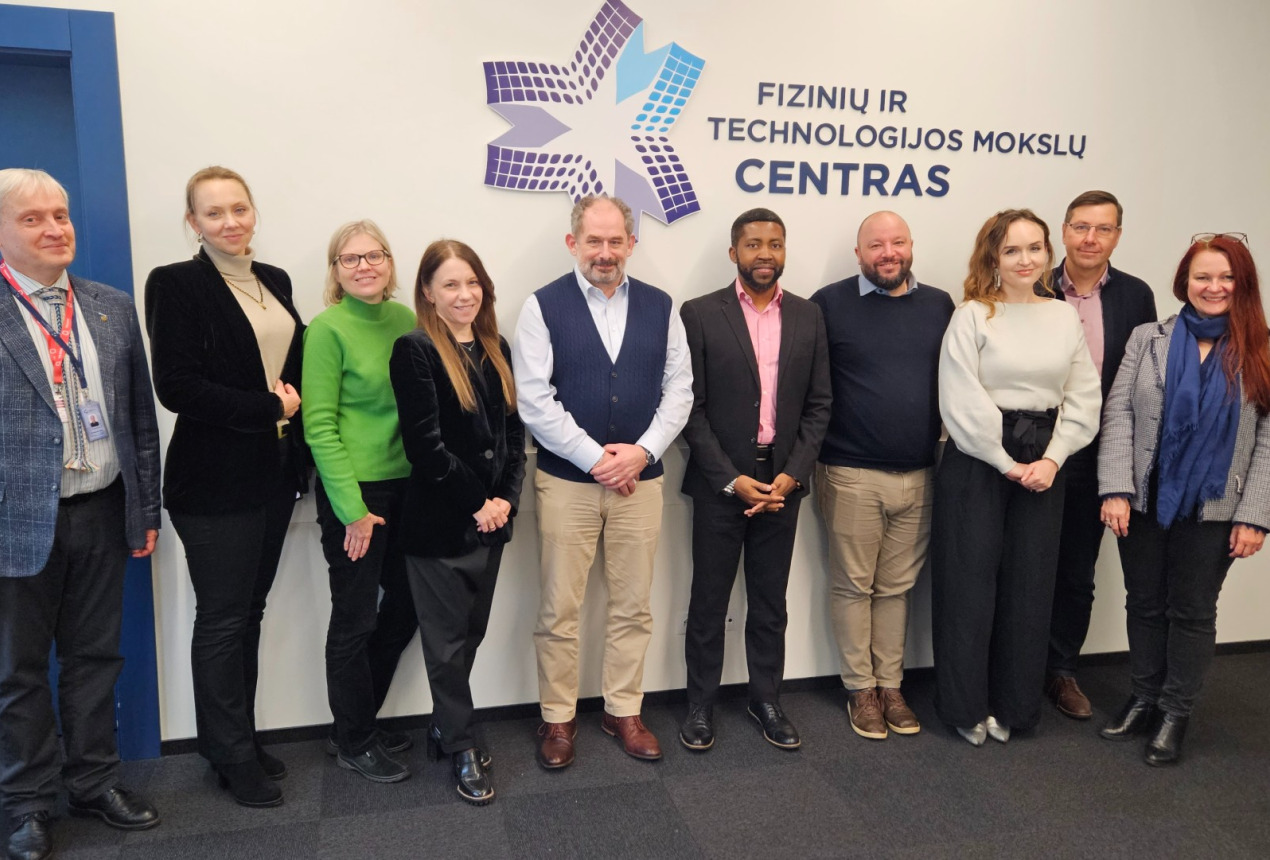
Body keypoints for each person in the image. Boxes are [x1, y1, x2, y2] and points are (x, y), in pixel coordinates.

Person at [0, 168, 162, 860]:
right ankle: (28, 801)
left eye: (60, 215)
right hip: (16, 522)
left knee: (96, 658)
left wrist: (145, 506)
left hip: (102, 508)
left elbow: (140, 421)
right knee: (18, 671)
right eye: (33, 218)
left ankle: (93, 781)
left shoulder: (109, 306)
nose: (54, 229)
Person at [512, 195, 692, 769]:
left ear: (631, 245)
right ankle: (558, 719)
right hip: (566, 482)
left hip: (642, 482)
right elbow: (535, 401)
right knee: (559, 608)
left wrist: (640, 453)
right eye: (594, 240)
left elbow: (679, 391)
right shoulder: (542, 307)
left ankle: (623, 710)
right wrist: (597, 460)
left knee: (633, 604)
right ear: (573, 243)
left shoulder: (663, 306)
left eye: (617, 241)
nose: (606, 252)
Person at [144, 166, 305, 807]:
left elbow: (289, 375)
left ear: (253, 212)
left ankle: (233, 740)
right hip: (211, 483)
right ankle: (232, 756)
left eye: (239, 208)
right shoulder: (176, 284)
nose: (230, 221)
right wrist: (267, 410)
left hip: (272, 477)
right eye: (214, 213)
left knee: (249, 616)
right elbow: (177, 387)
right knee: (221, 620)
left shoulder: (277, 281)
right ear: (193, 223)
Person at [1098, 233, 1270, 766]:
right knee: (1143, 600)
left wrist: (1255, 516)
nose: (1213, 287)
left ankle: (1175, 711)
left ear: (1241, 284)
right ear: (1185, 281)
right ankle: (1144, 697)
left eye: (1225, 277)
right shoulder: (1147, 338)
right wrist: (1116, 488)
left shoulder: (1261, 346)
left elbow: (1267, 438)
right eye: (1203, 276)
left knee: (1192, 611)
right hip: (1145, 497)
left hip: (1218, 505)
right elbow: (1119, 412)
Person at [930, 209, 1100, 746]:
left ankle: (1015, 706)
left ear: (1048, 253)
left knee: (1030, 586)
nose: (1025, 259)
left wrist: (1052, 459)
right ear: (993, 259)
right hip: (979, 460)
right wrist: (1006, 463)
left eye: (1034, 247)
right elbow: (960, 399)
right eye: (1011, 250)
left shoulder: (1063, 317)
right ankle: (964, 706)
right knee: (968, 584)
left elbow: (1083, 396)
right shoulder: (973, 316)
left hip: (1046, 461)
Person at [678, 208, 830, 752]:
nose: (765, 253)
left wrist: (792, 474)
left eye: (775, 243)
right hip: (723, 483)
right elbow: (688, 410)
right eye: (753, 244)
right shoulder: (698, 314)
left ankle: (766, 697)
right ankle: (700, 702)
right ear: (733, 252)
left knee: (770, 600)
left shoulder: (810, 317)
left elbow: (819, 406)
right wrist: (730, 478)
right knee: (709, 599)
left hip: (782, 484)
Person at [390, 240, 525, 804]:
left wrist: (506, 502)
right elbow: (428, 448)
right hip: (441, 524)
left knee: (470, 634)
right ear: (428, 292)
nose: (464, 294)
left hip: (491, 523)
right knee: (444, 644)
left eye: (471, 283)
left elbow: (515, 438)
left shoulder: (498, 348)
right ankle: (462, 745)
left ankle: (447, 724)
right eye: (450, 284)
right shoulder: (415, 350)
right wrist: (478, 502)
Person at [811, 210, 954, 740]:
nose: (887, 253)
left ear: (911, 246)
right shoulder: (829, 304)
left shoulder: (940, 304)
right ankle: (860, 690)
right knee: (853, 586)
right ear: (858, 253)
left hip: (920, 475)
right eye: (876, 245)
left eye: (897, 243)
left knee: (897, 589)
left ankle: (891, 685)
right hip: (850, 472)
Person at [302, 221, 418, 784]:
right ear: (335, 271)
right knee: (354, 617)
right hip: (357, 495)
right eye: (349, 259)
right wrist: (350, 508)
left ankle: (357, 721)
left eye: (373, 255)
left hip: (408, 488)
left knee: (404, 609)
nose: (363, 266)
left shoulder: (407, 320)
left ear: (390, 263)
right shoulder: (326, 330)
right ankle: (353, 739)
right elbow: (319, 426)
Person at [1045, 191, 1157, 720]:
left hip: (1097, 454)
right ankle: (1016, 667)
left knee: (1076, 572)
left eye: (1104, 229)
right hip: (1033, 449)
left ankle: (1062, 671)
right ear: (1063, 231)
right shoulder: (1031, 283)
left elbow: (1143, 384)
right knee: (1022, 563)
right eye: (1081, 227)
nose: (1091, 238)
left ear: (1117, 236)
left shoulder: (1136, 296)